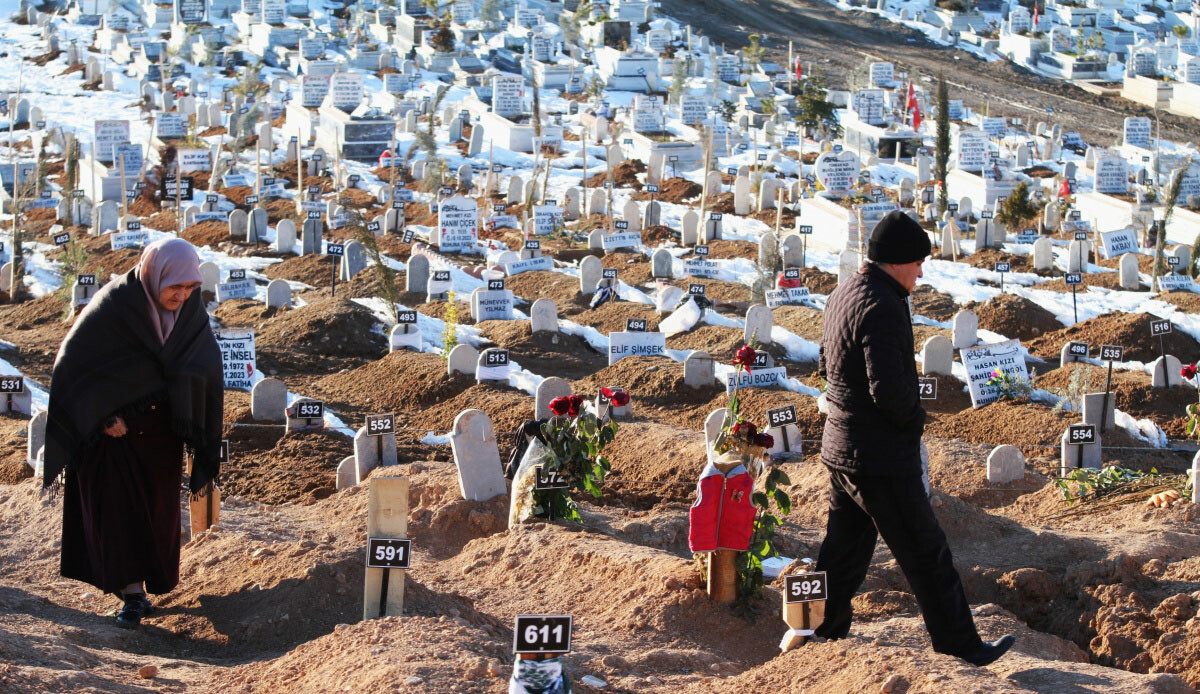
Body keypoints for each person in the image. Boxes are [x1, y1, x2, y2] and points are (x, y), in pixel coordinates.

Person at [815, 211, 1015, 666]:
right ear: (897, 260)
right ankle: (960, 646)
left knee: (843, 552)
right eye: (918, 262)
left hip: (843, 447)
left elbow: (827, 365)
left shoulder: (846, 290)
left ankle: (819, 631)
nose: (921, 272)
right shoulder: (884, 305)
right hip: (879, 457)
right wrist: (913, 421)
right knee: (926, 552)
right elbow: (888, 390)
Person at [44, 238, 224, 629]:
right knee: (118, 516)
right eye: (174, 286)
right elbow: (74, 362)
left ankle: (143, 589)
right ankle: (132, 595)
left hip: (162, 436)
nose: (181, 295)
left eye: (190, 287)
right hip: (115, 437)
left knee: (155, 515)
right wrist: (105, 415)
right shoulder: (116, 306)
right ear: (153, 275)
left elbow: (205, 360)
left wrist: (191, 405)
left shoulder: (190, 310)